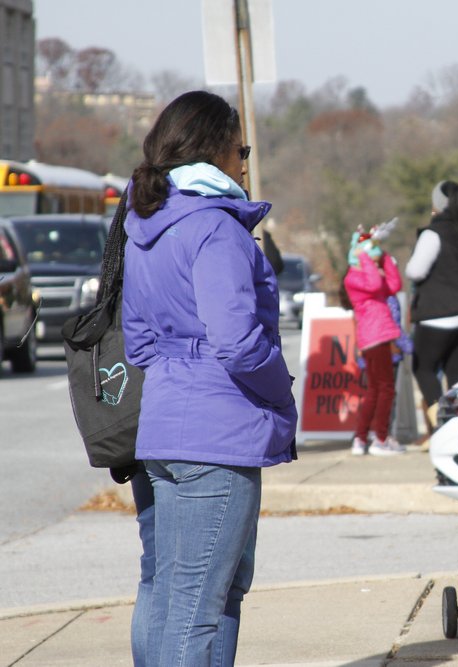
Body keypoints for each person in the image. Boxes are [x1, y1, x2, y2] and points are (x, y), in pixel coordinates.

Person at [122, 90, 298, 666]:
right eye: (240, 147)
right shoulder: (216, 228)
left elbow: (139, 341)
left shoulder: (146, 224)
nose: (245, 160)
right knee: (198, 608)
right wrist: (281, 392)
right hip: (218, 439)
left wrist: (180, 380)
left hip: (162, 431)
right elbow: (238, 343)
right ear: (215, 149)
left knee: (170, 595)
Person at [405, 180, 458, 430]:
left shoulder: (434, 233)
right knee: (455, 370)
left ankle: (444, 425)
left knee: (423, 368)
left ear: (438, 204)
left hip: (439, 313)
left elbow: (415, 271)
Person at [344, 223, 406, 456]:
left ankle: (361, 438)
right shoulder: (354, 277)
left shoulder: (369, 274)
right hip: (374, 337)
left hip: (379, 336)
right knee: (386, 389)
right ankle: (380, 437)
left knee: (375, 389)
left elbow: (394, 285)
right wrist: (367, 259)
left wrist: (384, 254)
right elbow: (375, 284)